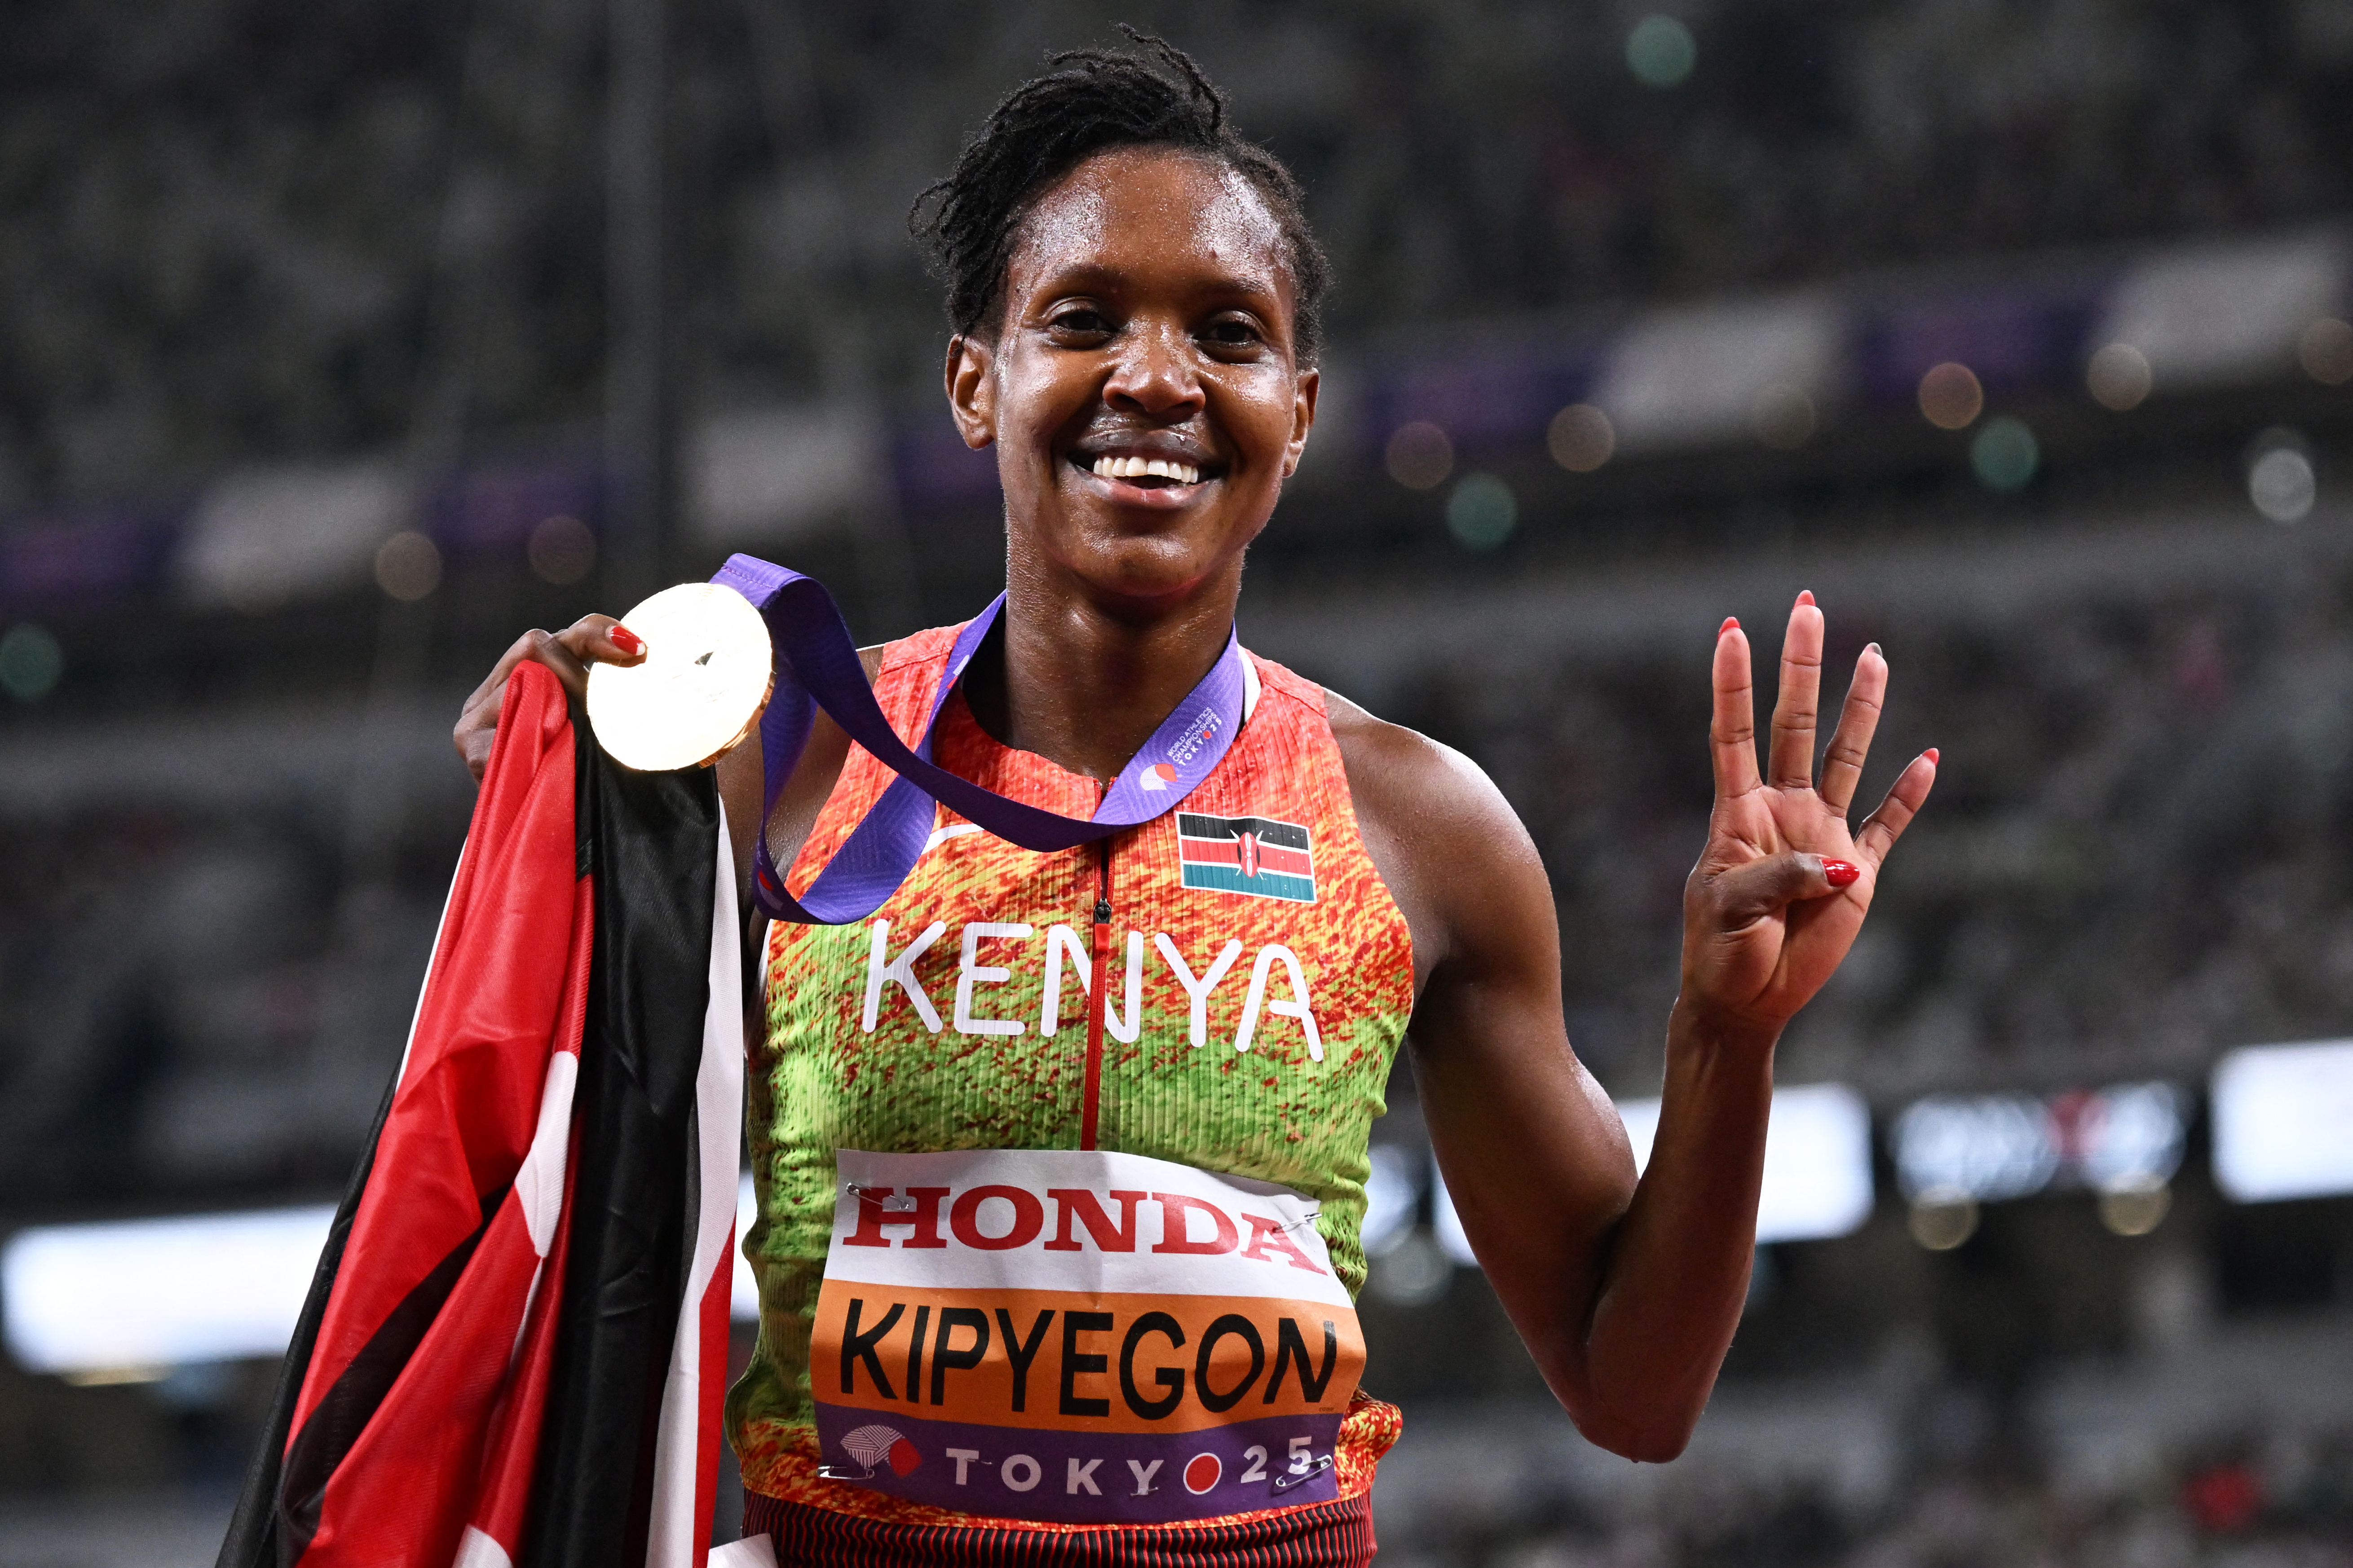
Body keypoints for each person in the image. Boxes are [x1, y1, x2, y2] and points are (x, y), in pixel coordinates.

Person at [453, 35, 1934, 1567]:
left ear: (1294, 414)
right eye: (1084, 320)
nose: (1156, 379)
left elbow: (1636, 1391)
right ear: (977, 381)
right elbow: (538, 1215)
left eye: (1226, 335)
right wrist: (555, 777)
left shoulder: (1422, 829)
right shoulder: (777, 751)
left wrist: (1725, 1040)